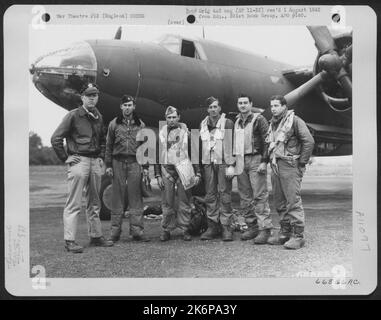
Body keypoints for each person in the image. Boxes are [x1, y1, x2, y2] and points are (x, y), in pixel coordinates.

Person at [51, 83, 113, 253]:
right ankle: (70, 241)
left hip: (94, 162)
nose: (92, 98)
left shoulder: (98, 116)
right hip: (79, 161)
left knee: (95, 203)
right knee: (74, 203)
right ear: (82, 97)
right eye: (89, 95)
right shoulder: (73, 115)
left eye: (95, 95)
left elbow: (102, 139)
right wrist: (66, 157)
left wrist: (100, 157)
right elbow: (56, 138)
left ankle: (95, 236)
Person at [266, 95, 314, 250]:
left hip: (290, 165)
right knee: (279, 201)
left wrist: (301, 163)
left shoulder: (295, 120)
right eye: (271, 106)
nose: (273, 108)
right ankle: (285, 232)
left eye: (276, 105)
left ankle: (298, 236)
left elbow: (309, 141)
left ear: (284, 106)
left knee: (292, 200)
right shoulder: (273, 123)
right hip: (276, 164)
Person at [105, 95, 150, 242]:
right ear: (121, 107)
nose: (127, 108)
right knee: (117, 197)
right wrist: (108, 165)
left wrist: (146, 167)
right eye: (124, 105)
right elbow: (109, 145)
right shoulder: (114, 124)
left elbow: (144, 148)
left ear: (134, 107)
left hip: (134, 163)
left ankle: (136, 231)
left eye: (130, 105)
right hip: (118, 162)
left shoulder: (140, 125)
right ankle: (115, 232)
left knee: (135, 197)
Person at [154, 106, 201, 241]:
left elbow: (194, 154)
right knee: (167, 201)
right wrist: (157, 175)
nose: (171, 120)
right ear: (166, 119)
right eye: (169, 117)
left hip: (184, 168)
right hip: (167, 170)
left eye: (174, 117)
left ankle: (185, 228)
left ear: (179, 118)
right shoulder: (161, 134)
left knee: (185, 200)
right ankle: (166, 229)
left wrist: (197, 173)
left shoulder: (187, 133)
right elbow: (156, 155)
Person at [235, 94, 273, 244]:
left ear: (251, 104)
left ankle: (264, 229)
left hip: (256, 159)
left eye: (245, 103)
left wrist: (264, 161)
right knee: (244, 197)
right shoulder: (237, 121)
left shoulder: (260, 119)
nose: (243, 105)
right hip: (240, 160)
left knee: (259, 195)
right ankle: (252, 227)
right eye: (240, 103)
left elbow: (267, 141)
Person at [199, 96, 236, 241]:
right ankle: (212, 226)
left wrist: (232, 165)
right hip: (208, 163)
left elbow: (234, 145)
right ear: (207, 109)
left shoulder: (227, 123)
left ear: (220, 108)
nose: (213, 110)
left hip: (223, 163)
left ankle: (226, 227)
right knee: (210, 195)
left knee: (225, 194)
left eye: (215, 107)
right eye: (210, 107)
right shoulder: (203, 124)